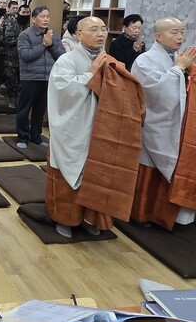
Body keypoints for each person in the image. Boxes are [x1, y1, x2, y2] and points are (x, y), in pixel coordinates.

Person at [45, 17, 144, 238]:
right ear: (79, 34)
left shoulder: (110, 61)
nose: (100, 34)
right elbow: (62, 92)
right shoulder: (66, 60)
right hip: (73, 127)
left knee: (97, 173)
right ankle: (65, 220)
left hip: (100, 127)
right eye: (93, 29)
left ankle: (91, 218)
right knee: (68, 176)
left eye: (103, 29)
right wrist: (90, 74)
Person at [131, 18, 196, 230]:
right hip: (156, 124)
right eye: (174, 32)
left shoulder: (179, 58)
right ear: (158, 36)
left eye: (182, 32)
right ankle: (144, 214)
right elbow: (154, 91)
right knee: (151, 168)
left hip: (179, 122)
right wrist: (178, 70)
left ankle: (173, 214)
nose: (180, 37)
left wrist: (189, 72)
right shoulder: (145, 60)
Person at [15, 6, 65, 149]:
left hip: (48, 77)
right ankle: (22, 137)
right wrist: (44, 44)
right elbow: (26, 56)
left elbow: (62, 56)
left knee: (39, 110)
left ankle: (36, 136)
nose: (45, 19)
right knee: (24, 109)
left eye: (47, 16)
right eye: (42, 16)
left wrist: (51, 45)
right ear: (33, 19)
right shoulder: (25, 35)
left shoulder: (53, 35)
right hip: (29, 78)